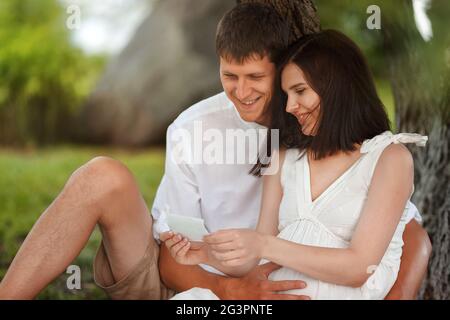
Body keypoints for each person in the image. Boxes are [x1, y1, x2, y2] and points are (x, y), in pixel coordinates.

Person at [0, 3, 431, 300]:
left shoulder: (318, 131)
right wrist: (226, 289)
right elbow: (170, 255)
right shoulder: (194, 127)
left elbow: (408, 234)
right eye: (229, 76)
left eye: (255, 78)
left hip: (268, 280)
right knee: (100, 175)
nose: (240, 93)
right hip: (188, 278)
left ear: (284, 71)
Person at [165, 29, 429, 300]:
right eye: (286, 95)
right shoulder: (283, 155)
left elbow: (359, 267)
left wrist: (265, 245)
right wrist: (207, 253)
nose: (290, 106)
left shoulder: (389, 158)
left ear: (336, 86)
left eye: (300, 91)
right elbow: (255, 255)